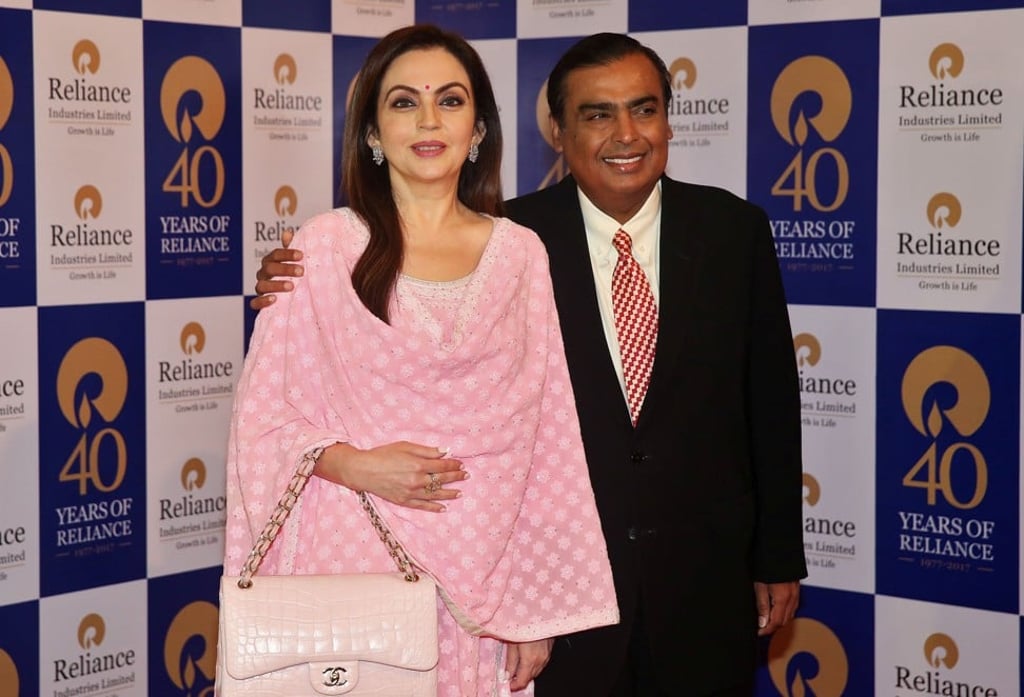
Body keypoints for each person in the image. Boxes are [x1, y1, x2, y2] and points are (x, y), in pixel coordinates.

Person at [253, 32, 806, 697]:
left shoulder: (732, 230)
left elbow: (770, 402)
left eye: (644, 109)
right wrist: (292, 285)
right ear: (559, 134)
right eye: (597, 114)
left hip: (701, 578)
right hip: (546, 592)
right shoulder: (515, 237)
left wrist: (777, 553)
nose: (625, 134)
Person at [225, 24, 619, 697]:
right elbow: (261, 419)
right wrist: (356, 464)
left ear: (479, 129)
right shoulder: (324, 248)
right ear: (372, 134)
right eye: (404, 101)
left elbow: (547, 434)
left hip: (483, 587)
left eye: (450, 100)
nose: (429, 120)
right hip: (349, 564)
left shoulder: (520, 254)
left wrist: (534, 611)